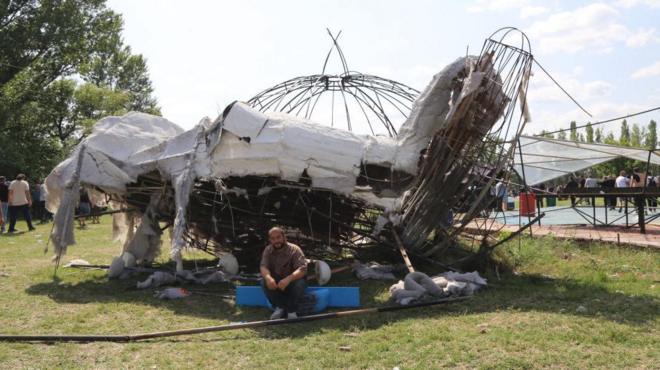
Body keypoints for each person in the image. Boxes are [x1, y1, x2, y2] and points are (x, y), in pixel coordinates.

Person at [260, 227, 308, 319]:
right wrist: (268, 277)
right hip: (277, 282)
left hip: (292, 281)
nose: (276, 241)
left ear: (284, 237)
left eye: (278, 237)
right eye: (273, 238)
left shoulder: (295, 249)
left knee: (300, 283)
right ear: (270, 240)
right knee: (263, 282)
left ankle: (291, 310)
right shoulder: (268, 250)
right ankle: (279, 307)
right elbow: (263, 266)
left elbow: (302, 269)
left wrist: (288, 279)